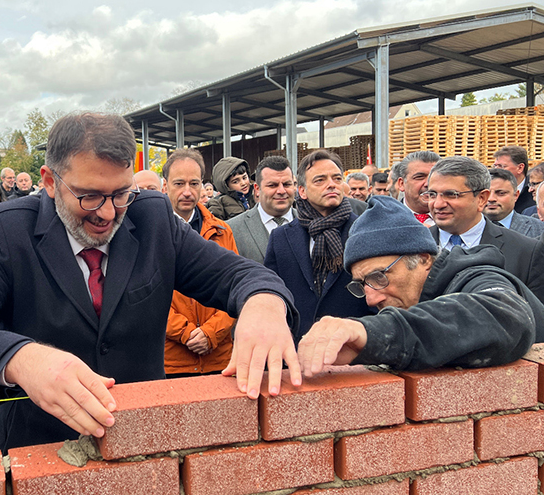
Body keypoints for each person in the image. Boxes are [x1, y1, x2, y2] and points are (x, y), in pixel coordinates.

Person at [0, 112, 301, 451]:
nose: (106, 214)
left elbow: (237, 274)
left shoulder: (151, 218)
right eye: (88, 196)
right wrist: (21, 359)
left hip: (142, 444)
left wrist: (264, 303)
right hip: (42, 449)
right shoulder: (9, 228)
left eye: (120, 194)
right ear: (50, 182)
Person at [297, 195, 542, 376]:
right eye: (362, 284)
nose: (371, 299)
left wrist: (374, 334)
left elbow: (505, 314)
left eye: (379, 276)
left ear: (424, 259)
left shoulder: (475, 276)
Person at [264, 150, 375, 341]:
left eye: (337, 178)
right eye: (320, 180)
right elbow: (271, 296)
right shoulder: (281, 237)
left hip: (350, 351)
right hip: (296, 349)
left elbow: (377, 298)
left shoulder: (366, 232)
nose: (331, 184)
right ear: (302, 191)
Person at [425, 156, 544, 303]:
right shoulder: (414, 248)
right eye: (432, 194)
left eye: (451, 194)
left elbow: (536, 318)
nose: (437, 204)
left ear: (482, 198)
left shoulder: (526, 252)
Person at [161, 149, 237, 377]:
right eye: (178, 184)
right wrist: (186, 333)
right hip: (171, 361)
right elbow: (146, 297)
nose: (187, 192)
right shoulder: (150, 234)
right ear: (165, 187)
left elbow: (233, 288)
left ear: (203, 186)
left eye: (194, 183)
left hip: (219, 360)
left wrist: (210, 333)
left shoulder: (222, 230)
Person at [228, 156, 297, 264]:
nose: (281, 191)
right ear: (257, 189)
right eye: (272, 185)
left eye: (287, 184)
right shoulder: (231, 230)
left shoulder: (311, 224)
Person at [484, 168, 544, 238]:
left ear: (516, 195)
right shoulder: (469, 229)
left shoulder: (539, 229)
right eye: (486, 194)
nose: (491, 199)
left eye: (501, 193)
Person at [398, 151, 439, 226]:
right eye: (419, 177)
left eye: (434, 177)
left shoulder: (458, 220)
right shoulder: (385, 219)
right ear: (402, 184)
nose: (428, 184)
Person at [493, 146, 534, 213]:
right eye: (495, 166)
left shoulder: (534, 190)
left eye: (502, 166)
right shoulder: (488, 189)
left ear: (520, 168)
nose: (496, 170)